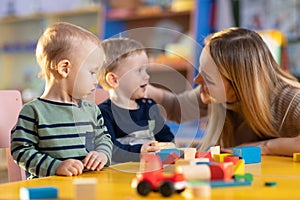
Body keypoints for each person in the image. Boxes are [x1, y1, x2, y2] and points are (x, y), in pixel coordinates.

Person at [147, 27, 300, 157]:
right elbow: (176, 108)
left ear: (239, 86)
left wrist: (266, 147)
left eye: (208, 78)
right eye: (200, 72)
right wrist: (143, 89)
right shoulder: (215, 94)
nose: (197, 81)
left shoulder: (289, 100)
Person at [10, 22, 113, 179]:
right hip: (50, 189)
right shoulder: (33, 111)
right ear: (65, 68)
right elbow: (21, 151)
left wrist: (102, 154)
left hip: (89, 186)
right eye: (92, 72)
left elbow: (103, 138)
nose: (96, 80)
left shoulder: (91, 109)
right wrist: (56, 166)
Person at [98, 38, 174, 163]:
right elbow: (110, 149)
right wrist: (140, 152)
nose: (147, 76)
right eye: (139, 71)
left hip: (152, 169)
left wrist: (170, 148)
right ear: (114, 80)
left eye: (146, 70)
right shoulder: (104, 113)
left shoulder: (149, 107)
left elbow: (165, 135)